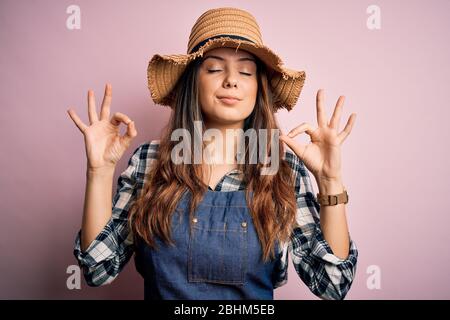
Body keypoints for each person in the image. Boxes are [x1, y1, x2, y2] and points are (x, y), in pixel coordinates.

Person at [67, 7, 358, 300]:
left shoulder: (282, 167)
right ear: (193, 81)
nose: (231, 80)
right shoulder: (150, 161)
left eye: (246, 71)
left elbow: (332, 285)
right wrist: (99, 172)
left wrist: (330, 180)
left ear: (259, 88)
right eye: (215, 68)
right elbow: (97, 269)